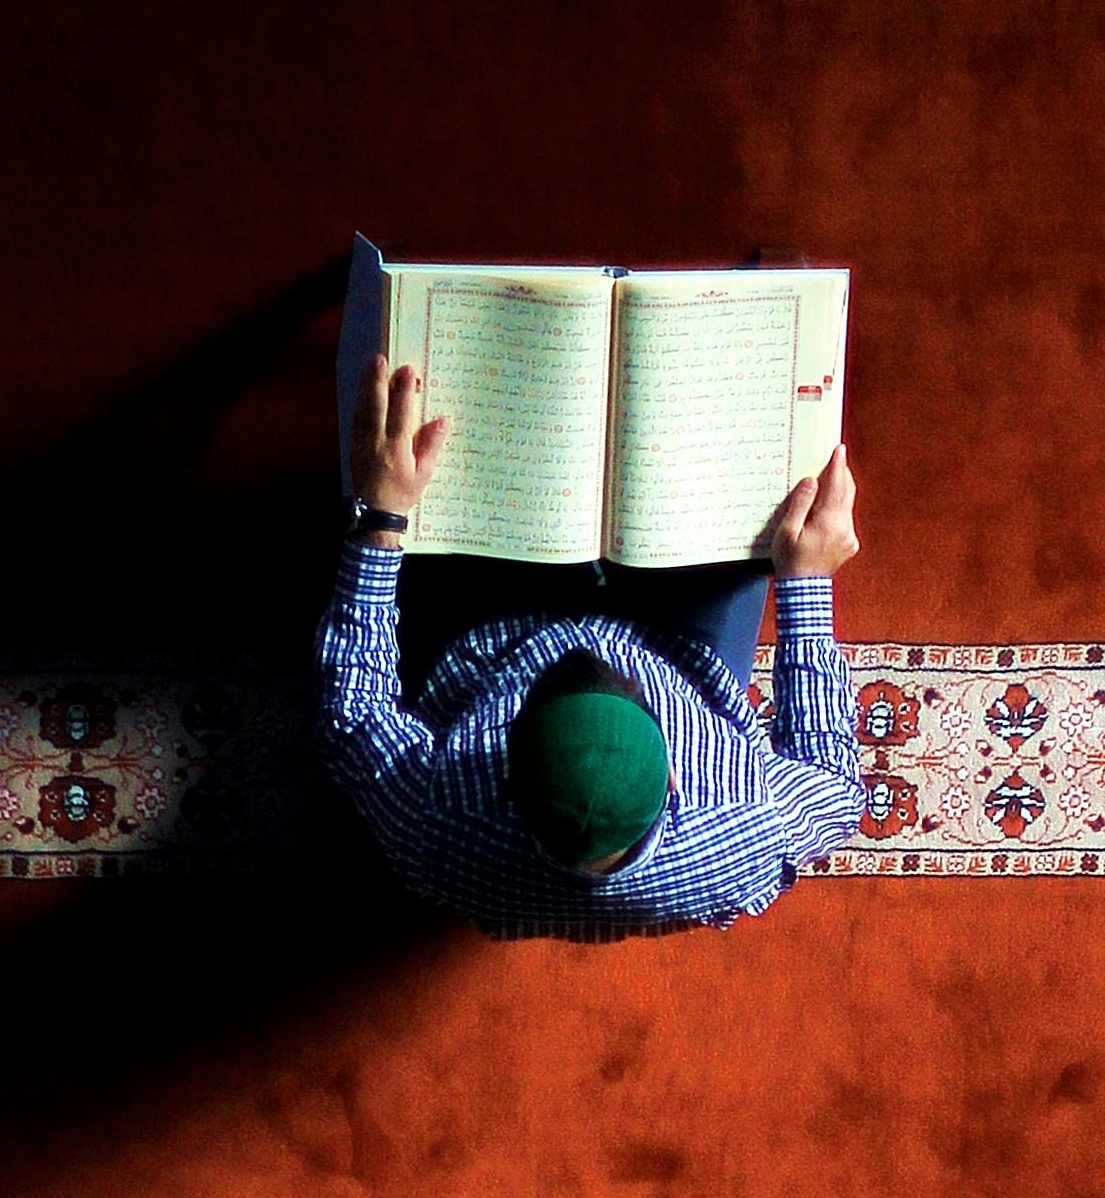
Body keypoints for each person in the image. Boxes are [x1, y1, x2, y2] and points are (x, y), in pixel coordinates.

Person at [317, 355, 863, 941]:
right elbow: (835, 781)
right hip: (678, 643)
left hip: (493, 632)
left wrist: (380, 517)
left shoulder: (434, 821)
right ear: (675, 779)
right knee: (753, 493)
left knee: (431, 477)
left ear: (502, 768)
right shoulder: (748, 829)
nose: (591, 647)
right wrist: (806, 579)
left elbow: (354, 718)